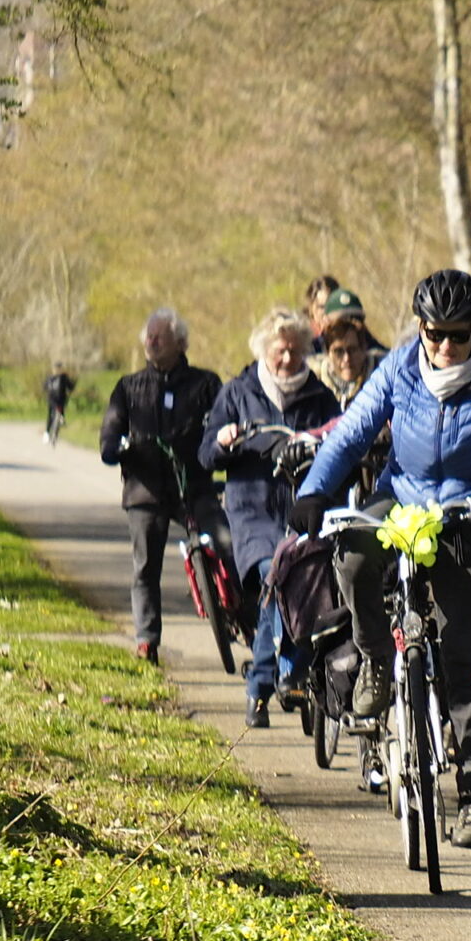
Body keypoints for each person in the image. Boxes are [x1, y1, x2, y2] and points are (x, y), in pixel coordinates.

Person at [288, 270, 471, 849]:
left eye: (458, 336)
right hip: (402, 496)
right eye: (435, 335)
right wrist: (315, 491)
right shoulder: (399, 366)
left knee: (464, 663)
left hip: (469, 511)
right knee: (349, 554)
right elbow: (351, 434)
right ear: (419, 328)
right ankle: (375, 658)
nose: (445, 348)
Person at [199, 308, 341, 727]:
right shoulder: (238, 392)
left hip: (303, 512)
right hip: (252, 513)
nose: (288, 360)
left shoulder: (319, 396)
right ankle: (272, 679)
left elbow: (341, 439)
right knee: (274, 577)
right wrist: (226, 442)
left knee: (306, 582)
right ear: (264, 349)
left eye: (296, 352)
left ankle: (273, 681)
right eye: (281, 351)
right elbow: (206, 454)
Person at [97, 308, 228, 664]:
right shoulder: (128, 387)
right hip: (146, 490)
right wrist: (118, 447)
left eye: (160, 336)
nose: (152, 341)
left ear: (180, 342)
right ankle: (147, 639)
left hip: (194, 487)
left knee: (226, 543)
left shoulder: (205, 384)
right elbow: (110, 435)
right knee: (145, 566)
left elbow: (222, 423)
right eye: (148, 336)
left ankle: (236, 613)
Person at [42, 360, 74, 446]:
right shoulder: (60, 377)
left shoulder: (55, 377)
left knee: (52, 415)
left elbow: (44, 387)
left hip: (55, 400)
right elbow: (71, 387)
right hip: (57, 400)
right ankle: (49, 432)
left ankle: (48, 432)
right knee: (52, 415)